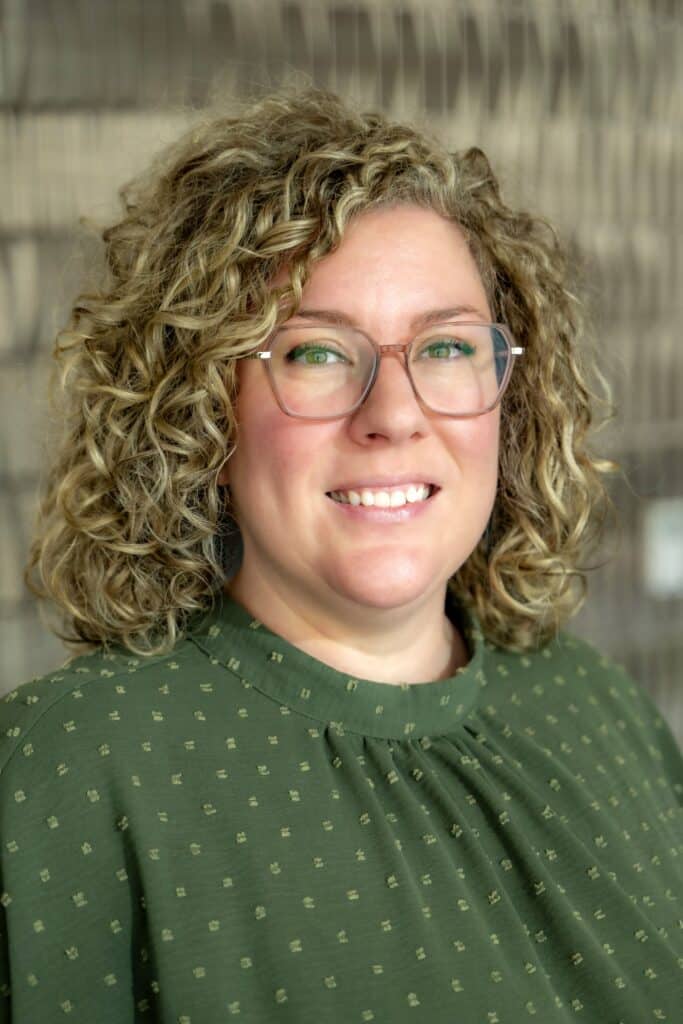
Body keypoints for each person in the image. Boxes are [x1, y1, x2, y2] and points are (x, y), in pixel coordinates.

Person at [1, 86, 681, 1023]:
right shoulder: (70, 765)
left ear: (507, 398)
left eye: (444, 347)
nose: (394, 416)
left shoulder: (597, 706)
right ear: (198, 408)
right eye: (316, 354)